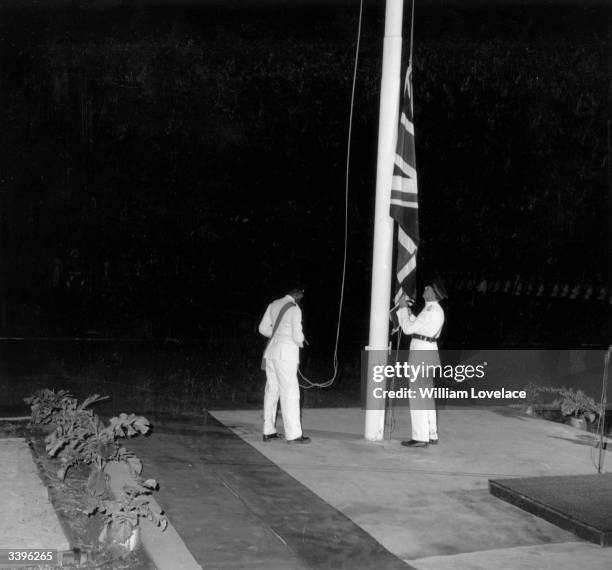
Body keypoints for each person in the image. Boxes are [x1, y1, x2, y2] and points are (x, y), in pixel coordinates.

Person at [396, 279, 447, 448]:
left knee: (417, 397)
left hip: (421, 355)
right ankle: (431, 433)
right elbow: (418, 326)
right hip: (429, 353)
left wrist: (403, 308)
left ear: (432, 293)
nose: (425, 288)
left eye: (428, 287)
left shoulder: (430, 310)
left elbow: (409, 329)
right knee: (426, 397)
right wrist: (408, 312)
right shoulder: (433, 309)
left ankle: (420, 437)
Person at [258, 285, 311, 444]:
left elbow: (262, 329)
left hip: (271, 352)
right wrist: (301, 341)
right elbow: (297, 335)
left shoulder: (273, 304)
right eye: (302, 293)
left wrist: (277, 335)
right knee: (290, 393)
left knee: (272, 390)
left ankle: (268, 431)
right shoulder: (295, 309)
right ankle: (293, 435)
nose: (302, 296)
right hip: (286, 354)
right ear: (297, 293)